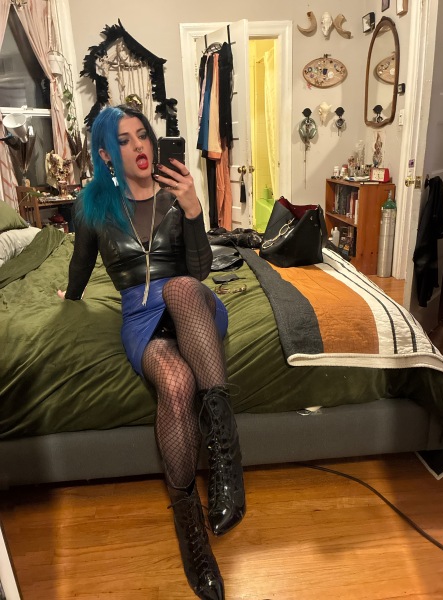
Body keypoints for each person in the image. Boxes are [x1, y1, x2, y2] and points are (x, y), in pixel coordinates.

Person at [58, 104, 245, 600]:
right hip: (142, 320)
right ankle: (190, 526)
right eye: (124, 140)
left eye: (142, 135)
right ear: (105, 153)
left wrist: (194, 209)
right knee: (176, 383)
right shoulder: (93, 208)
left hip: (191, 307)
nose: (139, 146)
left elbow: (200, 272)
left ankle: (226, 462)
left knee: (181, 286)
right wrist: (70, 297)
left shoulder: (173, 196)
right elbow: (80, 264)